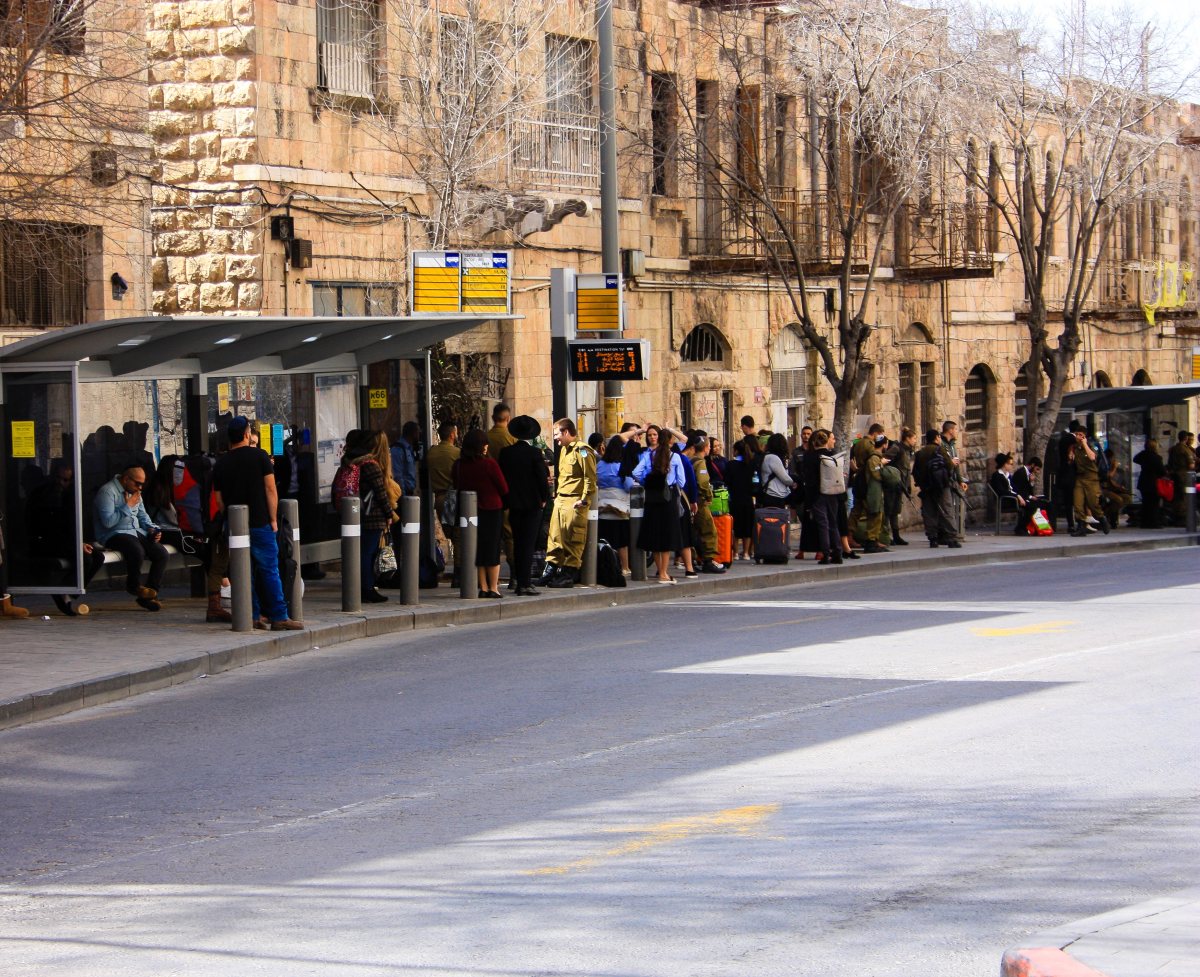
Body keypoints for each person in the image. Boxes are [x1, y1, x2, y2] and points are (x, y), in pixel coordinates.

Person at [211, 416, 303, 630]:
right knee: (269, 569)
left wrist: (230, 518)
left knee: (244, 571)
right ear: (246, 434)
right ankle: (279, 616)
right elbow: (271, 489)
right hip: (260, 521)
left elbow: (219, 500)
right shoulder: (260, 456)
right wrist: (273, 518)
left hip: (235, 527)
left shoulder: (221, 463)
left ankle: (251, 615)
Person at [26, 461, 104, 616]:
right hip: (45, 540)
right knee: (87, 559)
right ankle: (64, 593)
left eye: (66, 480)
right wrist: (77, 543)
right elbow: (46, 526)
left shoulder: (69, 495)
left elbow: (72, 523)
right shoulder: (43, 494)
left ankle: (67, 591)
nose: (61, 483)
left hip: (66, 539)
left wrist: (80, 542)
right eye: (58, 478)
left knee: (98, 557)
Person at [93, 465, 168, 611]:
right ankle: (133, 586)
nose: (140, 488)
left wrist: (152, 528)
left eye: (142, 484)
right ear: (126, 479)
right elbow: (108, 522)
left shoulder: (135, 492)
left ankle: (150, 594)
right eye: (137, 483)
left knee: (161, 554)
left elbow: (142, 515)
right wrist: (128, 506)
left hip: (135, 531)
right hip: (113, 533)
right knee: (136, 550)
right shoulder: (107, 492)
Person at [452, 428, 509, 598]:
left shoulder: (459, 465)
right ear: (482, 446)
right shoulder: (489, 464)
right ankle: (493, 587)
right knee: (491, 549)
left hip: (468, 512)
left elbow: (456, 485)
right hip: (491, 510)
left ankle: (483, 587)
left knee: (476, 549)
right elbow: (503, 487)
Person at [541, 418, 596, 588]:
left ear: (566, 432)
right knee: (555, 538)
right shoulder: (564, 450)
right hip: (561, 499)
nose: (556, 439)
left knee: (574, 539)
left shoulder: (583, 451)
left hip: (574, 501)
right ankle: (551, 570)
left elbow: (590, 478)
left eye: (557, 434)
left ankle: (568, 574)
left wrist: (584, 499)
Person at [498, 415, 550, 596]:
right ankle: (525, 583)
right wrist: (544, 498)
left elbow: (502, 478)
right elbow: (542, 479)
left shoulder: (506, 453)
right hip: (532, 505)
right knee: (528, 544)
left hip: (513, 504)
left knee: (517, 542)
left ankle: (519, 580)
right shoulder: (535, 453)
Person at [634, 431, 687, 583]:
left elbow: (636, 472)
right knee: (667, 537)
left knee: (655, 536)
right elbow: (681, 481)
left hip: (652, 498)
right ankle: (663, 573)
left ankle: (661, 571)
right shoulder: (674, 457)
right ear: (669, 442)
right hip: (668, 498)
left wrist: (646, 482)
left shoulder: (649, 456)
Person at [486, 404, 518, 580]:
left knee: (491, 535)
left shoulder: (486, 438)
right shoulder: (511, 438)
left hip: (488, 493)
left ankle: (491, 576)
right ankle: (513, 573)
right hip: (507, 492)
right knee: (509, 535)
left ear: (493, 418)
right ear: (508, 419)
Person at [597, 434, 636, 575]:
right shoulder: (621, 466)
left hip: (601, 505)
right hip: (619, 508)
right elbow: (628, 486)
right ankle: (625, 567)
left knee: (604, 539)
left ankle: (605, 565)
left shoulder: (600, 464)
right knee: (622, 541)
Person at [686, 433, 725, 574]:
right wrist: (709, 496)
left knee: (695, 531)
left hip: (690, 500)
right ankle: (709, 560)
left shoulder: (690, 460)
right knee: (709, 530)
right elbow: (703, 482)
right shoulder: (701, 462)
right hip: (700, 501)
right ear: (706, 448)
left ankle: (695, 559)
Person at [426, 421, 461, 576]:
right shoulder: (456, 453)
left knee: (449, 534)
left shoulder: (431, 453)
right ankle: (459, 572)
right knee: (458, 535)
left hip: (439, 497)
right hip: (453, 496)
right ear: (452, 434)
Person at [913, 429, 958, 548]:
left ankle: (933, 538)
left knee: (929, 512)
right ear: (937, 437)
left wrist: (921, 484)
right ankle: (951, 538)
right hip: (942, 485)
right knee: (947, 510)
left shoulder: (920, 453)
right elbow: (949, 465)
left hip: (927, 487)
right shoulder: (940, 450)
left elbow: (915, 471)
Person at [804, 429, 843, 565]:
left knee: (822, 524)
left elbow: (808, 480)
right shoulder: (832, 456)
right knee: (833, 523)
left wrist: (808, 501)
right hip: (832, 492)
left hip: (817, 494)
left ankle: (825, 554)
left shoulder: (809, 457)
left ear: (814, 442)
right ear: (826, 441)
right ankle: (838, 552)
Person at [849, 423, 889, 553]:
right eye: (880, 435)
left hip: (859, 479)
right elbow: (874, 459)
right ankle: (872, 539)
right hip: (867, 481)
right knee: (874, 511)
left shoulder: (858, 443)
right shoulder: (869, 445)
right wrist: (881, 460)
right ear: (876, 433)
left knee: (856, 510)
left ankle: (849, 535)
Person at [1069, 421, 1109, 536]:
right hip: (1080, 478)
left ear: (1084, 436)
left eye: (1080, 435)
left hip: (1091, 478)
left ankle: (1102, 519)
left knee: (1093, 503)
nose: (1078, 437)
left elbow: (1092, 457)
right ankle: (1081, 526)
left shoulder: (1090, 446)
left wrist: (1085, 444)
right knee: (1078, 503)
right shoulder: (1074, 448)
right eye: (1077, 434)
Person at [988, 452, 1038, 534]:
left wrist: (1026, 496)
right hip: (1006, 500)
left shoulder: (1008, 475)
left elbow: (1015, 489)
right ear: (1004, 464)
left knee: (1033, 504)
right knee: (1031, 507)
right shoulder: (997, 475)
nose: (1011, 466)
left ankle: (1023, 527)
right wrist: (1017, 496)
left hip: (1014, 498)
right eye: (1010, 464)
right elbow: (1001, 491)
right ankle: (1020, 528)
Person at [724, 439, 757, 560]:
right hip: (748, 498)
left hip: (734, 498)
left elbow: (726, 481)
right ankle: (746, 553)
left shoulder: (731, 464)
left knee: (735, 527)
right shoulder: (751, 463)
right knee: (747, 526)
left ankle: (735, 553)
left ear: (736, 451)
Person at [883, 428, 915, 545]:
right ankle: (885, 535)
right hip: (892, 484)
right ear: (907, 438)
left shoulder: (908, 451)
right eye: (914, 438)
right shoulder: (897, 448)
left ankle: (896, 535)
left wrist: (908, 487)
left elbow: (906, 471)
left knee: (895, 510)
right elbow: (884, 459)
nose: (915, 441)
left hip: (900, 485)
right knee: (888, 510)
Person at [1133, 439, 1166, 528]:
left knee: (1146, 503)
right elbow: (1162, 471)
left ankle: (1144, 522)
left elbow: (1135, 459)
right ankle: (1153, 522)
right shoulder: (1157, 457)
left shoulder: (1143, 455)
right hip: (1153, 483)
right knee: (1154, 504)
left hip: (1144, 481)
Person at [758, 433, 795, 509]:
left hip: (769, 494)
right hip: (774, 495)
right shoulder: (773, 458)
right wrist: (793, 483)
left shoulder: (767, 457)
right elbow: (785, 478)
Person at [1167, 431, 1195, 525]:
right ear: (1186, 438)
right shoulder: (1185, 450)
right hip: (1184, 475)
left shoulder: (1173, 449)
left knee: (1176, 497)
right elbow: (1191, 465)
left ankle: (1175, 516)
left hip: (1174, 475)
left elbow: (1169, 463)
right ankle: (1182, 518)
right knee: (1184, 497)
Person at [1101, 449, 1133, 529]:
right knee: (1118, 499)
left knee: (1127, 498)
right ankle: (1107, 514)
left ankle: (1111, 513)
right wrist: (1114, 468)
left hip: (1113, 490)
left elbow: (1117, 482)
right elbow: (1108, 476)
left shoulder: (1118, 470)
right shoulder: (1104, 466)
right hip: (1104, 489)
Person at [390, 420, 420, 496]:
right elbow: (397, 475)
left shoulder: (409, 449)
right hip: (403, 493)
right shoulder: (398, 449)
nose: (419, 435)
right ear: (413, 433)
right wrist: (403, 496)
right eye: (418, 432)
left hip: (410, 491)